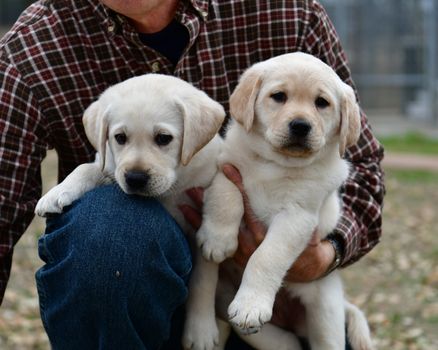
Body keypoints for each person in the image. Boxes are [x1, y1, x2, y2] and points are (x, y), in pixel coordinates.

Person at [0, 0, 384, 349]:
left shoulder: (290, 12)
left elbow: (362, 168)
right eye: (280, 98)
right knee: (110, 228)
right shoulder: (34, 43)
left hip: (274, 296)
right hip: (120, 294)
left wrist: (323, 256)